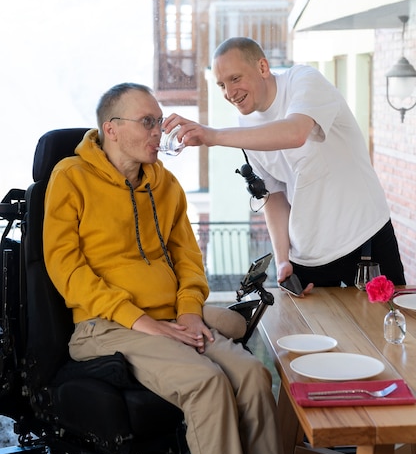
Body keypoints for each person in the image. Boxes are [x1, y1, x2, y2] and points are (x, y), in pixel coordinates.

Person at [43, 82, 289, 454]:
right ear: (112, 128)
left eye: (159, 122)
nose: (159, 132)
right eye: (147, 122)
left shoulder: (166, 185)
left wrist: (190, 312)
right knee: (206, 383)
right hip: (105, 325)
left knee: (253, 376)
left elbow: (188, 259)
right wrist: (141, 321)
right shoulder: (71, 177)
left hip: (172, 319)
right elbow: (66, 268)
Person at [164, 37, 405, 290]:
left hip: (364, 238)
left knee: (388, 326)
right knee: (313, 330)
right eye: (221, 84)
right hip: (307, 257)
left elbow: (295, 133)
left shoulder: (304, 80)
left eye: (235, 79)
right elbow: (274, 195)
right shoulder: (244, 128)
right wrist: (282, 260)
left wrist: (213, 136)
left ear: (263, 68)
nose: (229, 92)